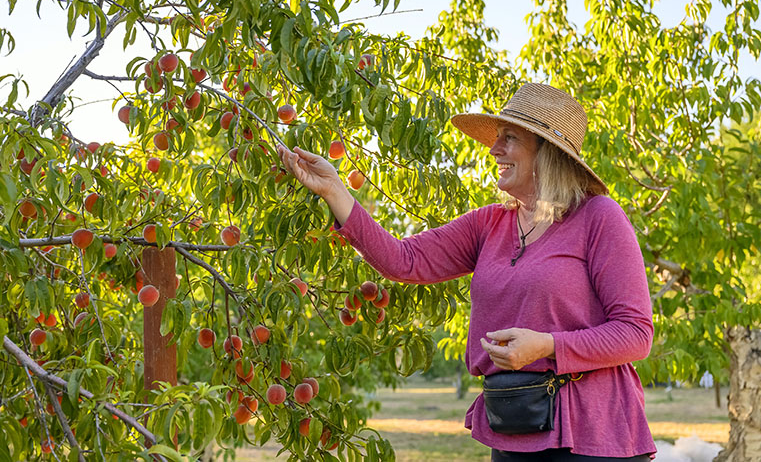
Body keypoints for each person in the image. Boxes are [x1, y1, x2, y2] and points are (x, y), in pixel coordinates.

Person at [277, 83, 656, 461]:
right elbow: (403, 260)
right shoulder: (489, 224)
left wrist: (548, 346)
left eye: (509, 138)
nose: (494, 149)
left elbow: (636, 333)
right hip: (515, 426)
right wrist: (334, 191)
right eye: (496, 138)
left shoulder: (598, 217)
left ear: (546, 151)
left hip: (595, 435)